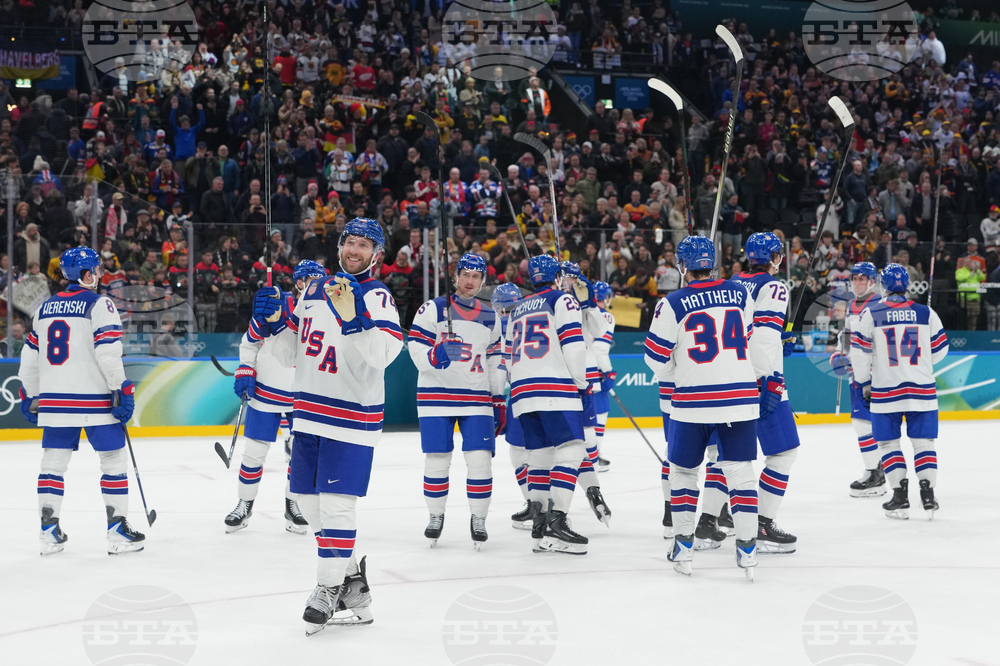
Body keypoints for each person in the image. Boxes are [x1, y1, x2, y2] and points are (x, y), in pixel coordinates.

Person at [254, 217, 403, 634]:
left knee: (337, 506)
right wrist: (274, 326)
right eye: (350, 242)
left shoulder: (377, 295)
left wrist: (354, 317)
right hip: (309, 411)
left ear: (376, 255)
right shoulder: (315, 289)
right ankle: (353, 583)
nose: (355, 250)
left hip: (352, 416)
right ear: (340, 246)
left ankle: (327, 587)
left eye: (364, 245)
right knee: (303, 500)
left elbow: (384, 354)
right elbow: (291, 353)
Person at [16, 247, 144, 556]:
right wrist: (122, 388)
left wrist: (30, 393)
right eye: (97, 270)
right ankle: (117, 532)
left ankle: (48, 533)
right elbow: (108, 353)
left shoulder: (44, 308)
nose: (99, 274)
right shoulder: (101, 304)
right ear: (86, 275)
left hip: (55, 402)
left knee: (52, 465)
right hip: (95, 400)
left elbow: (30, 357)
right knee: (113, 460)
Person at [645, 235, 759, 580]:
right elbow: (748, 337)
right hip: (740, 398)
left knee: (682, 473)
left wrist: (676, 371)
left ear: (682, 266)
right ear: (715, 263)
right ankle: (748, 551)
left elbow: (654, 359)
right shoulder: (741, 293)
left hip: (692, 402)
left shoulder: (672, 303)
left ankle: (682, 546)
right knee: (739, 471)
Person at [406, 254, 503, 550]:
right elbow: (415, 347)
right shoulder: (433, 309)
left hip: (477, 398)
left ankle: (479, 519)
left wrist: (498, 398)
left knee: (480, 462)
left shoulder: (490, 315)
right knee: (437, 460)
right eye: (466, 275)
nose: (470, 281)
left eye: (476, 276)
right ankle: (435, 516)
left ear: (483, 281)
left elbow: (495, 359)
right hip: (436, 396)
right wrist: (435, 355)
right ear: (455, 276)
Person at [224, 260, 328, 535]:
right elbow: (250, 342)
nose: (313, 287)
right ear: (298, 282)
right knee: (254, 452)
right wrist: (245, 369)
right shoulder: (275, 302)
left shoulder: (329, 312)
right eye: (308, 281)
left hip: (303, 395)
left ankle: (293, 505)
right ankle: (244, 504)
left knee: (300, 457)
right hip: (267, 389)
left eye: (318, 282)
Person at [505, 254, 590, 554]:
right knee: (572, 449)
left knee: (539, 457)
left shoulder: (517, 309)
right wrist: (580, 381)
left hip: (522, 391)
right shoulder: (562, 300)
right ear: (557, 277)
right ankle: (558, 520)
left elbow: (506, 358)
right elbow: (574, 344)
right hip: (554, 386)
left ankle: (540, 524)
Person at [850, 263, 948, 520]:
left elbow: (859, 353)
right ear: (906, 286)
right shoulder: (927, 313)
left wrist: (863, 382)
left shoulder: (872, 313)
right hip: (922, 390)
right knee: (924, 443)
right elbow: (940, 352)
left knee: (888, 444)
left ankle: (899, 496)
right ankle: (928, 495)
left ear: (883, 286)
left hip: (885, 391)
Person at [731, 232, 800, 554]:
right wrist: (767, 378)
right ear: (775, 258)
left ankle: (717, 514)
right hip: (758, 379)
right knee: (783, 453)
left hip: (728, 378)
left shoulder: (732, 282)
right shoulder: (773, 286)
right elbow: (762, 337)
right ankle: (761, 522)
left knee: (728, 455)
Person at [559, 261, 612, 527]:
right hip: (556, 378)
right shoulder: (553, 303)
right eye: (568, 280)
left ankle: (593, 489)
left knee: (585, 438)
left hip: (581, 379)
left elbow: (601, 329)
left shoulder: (583, 308)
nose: (572, 285)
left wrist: (589, 303)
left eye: (575, 281)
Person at [830, 262, 886, 497]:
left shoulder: (879, 305)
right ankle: (879, 470)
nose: (858, 282)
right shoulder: (853, 304)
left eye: (863, 279)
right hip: (858, 372)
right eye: (855, 278)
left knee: (865, 424)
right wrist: (839, 355)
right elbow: (849, 339)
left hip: (873, 374)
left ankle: (875, 473)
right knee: (865, 424)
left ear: (872, 281)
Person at [488, 283, 532, 528]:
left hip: (518, 395)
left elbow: (498, 367)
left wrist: (497, 399)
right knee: (548, 454)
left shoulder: (495, 326)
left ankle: (534, 503)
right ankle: (554, 504)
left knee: (519, 454)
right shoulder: (534, 319)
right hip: (546, 391)